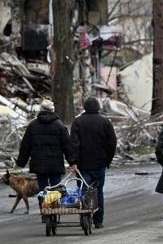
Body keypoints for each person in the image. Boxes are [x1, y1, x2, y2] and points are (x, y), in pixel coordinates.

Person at [70, 97, 117, 229]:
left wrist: (73, 161)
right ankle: (98, 220)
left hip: (82, 165)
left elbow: (74, 144)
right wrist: (108, 160)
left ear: (85, 108)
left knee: (84, 190)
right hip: (99, 163)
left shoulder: (78, 122)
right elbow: (112, 143)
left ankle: (84, 217)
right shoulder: (105, 122)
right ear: (98, 107)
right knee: (98, 191)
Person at [16, 99, 73, 192]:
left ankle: (43, 205)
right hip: (55, 164)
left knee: (42, 189)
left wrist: (21, 162)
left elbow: (25, 145)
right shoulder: (59, 125)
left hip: (39, 163)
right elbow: (67, 145)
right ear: (52, 110)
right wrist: (72, 161)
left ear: (41, 110)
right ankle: (54, 206)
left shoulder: (32, 125)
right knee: (56, 189)